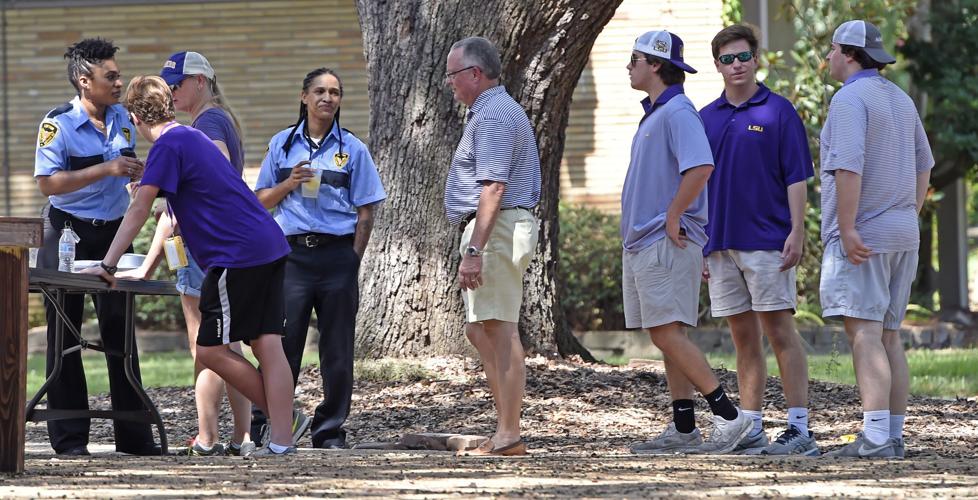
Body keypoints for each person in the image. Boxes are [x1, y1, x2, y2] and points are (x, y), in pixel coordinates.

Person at [83, 75, 300, 457]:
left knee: (212, 350)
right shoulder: (192, 137)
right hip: (267, 243)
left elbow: (139, 209)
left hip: (238, 255)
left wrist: (107, 263)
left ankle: (282, 414)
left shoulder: (168, 145)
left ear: (135, 116)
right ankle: (282, 440)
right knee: (267, 343)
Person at [621, 30, 752, 456]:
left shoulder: (677, 112)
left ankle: (732, 418)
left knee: (665, 333)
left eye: (635, 59)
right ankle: (683, 428)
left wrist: (674, 216)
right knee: (666, 333)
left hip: (665, 240)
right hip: (647, 242)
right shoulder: (657, 114)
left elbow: (701, 167)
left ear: (656, 64)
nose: (629, 65)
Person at [117, 51, 253, 456]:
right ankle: (235, 435)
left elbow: (214, 174)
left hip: (203, 246)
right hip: (209, 244)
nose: (172, 93)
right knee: (224, 344)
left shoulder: (208, 122)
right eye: (168, 87)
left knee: (208, 346)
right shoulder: (206, 123)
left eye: (177, 85)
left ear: (201, 81)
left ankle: (213, 437)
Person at [33, 38, 158, 456]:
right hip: (65, 232)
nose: (119, 81)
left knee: (121, 334)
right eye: (111, 76)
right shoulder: (58, 123)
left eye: (119, 74)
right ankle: (70, 440)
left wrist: (135, 178)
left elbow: (125, 167)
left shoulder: (124, 117)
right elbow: (48, 183)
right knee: (64, 334)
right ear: (85, 81)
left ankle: (135, 438)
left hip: (113, 234)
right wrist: (107, 167)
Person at [699, 25, 818, 455]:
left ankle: (800, 429)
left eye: (743, 57)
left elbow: (797, 178)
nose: (737, 65)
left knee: (781, 331)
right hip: (720, 244)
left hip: (769, 241)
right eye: (728, 59)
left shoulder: (779, 111)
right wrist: (700, 244)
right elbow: (697, 185)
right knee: (742, 338)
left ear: (756, 59)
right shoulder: (706, 117)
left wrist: (798, 233)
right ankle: (750, 427)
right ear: (717, 65)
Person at [254, 67, 386, 449]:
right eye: (320, 91)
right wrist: (288, 183)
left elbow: (366, 211)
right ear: (304, 97)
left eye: (335, 92)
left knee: (338, 349)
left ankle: (329, 431)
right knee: (282, 344)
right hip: (291, 257)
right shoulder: (281, 145)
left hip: (336, 257)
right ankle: (273, 424)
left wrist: (352, 259)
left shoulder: (354, 150)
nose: (327, 98)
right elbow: (259, 203)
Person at [820, 20, 933, 458]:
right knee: (889, 335)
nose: (828, 57)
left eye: (832, 50)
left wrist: (848, 228)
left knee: (865, 335)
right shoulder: (899, 98)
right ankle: (893, 435)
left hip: (865, 234)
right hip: (903, 231)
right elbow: (925, 165)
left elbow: (848, 166)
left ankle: (873, 439)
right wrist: (908, 210)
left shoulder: (849, 99)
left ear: (849, 53)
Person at [443, 36, 540, 457]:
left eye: (452, 75)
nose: (449, 84)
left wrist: (474, 250)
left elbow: (495, 187)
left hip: (496, 229)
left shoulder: (496, 114)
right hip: (492, 230)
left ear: (474, 74)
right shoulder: (487, 112)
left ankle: (509, 434)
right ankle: (505, 428)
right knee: (478, 328)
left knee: (499, 329)